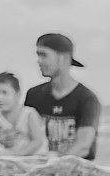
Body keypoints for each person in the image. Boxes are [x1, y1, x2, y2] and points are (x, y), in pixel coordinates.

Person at [24, 31, 100, 159]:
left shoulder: (87, 98)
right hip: (39, 170)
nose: (39, 61)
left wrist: (53, 164)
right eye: (38, 55)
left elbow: (83, 147)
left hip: (75, 172)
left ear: (63, 58)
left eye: (44, 55)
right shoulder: (34, 95)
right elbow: (26, 137)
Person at [0, 71, 47, 156]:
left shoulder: (29, 114)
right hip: (10, 160)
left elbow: (38, 141)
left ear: (17, 94)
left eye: (4, 93)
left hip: (32, 159)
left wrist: (18, 154)